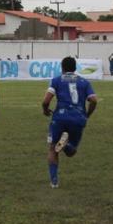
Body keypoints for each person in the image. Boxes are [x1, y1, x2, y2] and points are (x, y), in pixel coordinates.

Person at [42, 56, 98, 188]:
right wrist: (87, 114)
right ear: (75, 68)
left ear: (62, 68)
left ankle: (54, 181)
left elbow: (46, 101)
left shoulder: (56, 80)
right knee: (71, 152)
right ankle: (66, 145)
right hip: (78, 118)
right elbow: (94, 100)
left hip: (59, 117)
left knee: (52, 148)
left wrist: (45, 110)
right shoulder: (84, 82)